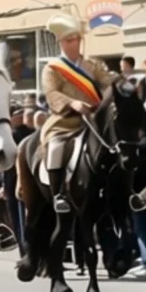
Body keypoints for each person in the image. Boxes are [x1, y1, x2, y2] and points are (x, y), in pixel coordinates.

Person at [39, 13, 115, 213]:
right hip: (65, 121)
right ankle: (58, 194)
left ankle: (126, 191)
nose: (75, 44)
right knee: (55, 146)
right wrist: (72, 103)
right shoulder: (52, 68)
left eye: (77, 39)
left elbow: (108, 84)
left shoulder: (93, 65)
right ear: (61, 42)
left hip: (93, 120)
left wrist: (103, 103)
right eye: (70, 40)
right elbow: (51, 92)